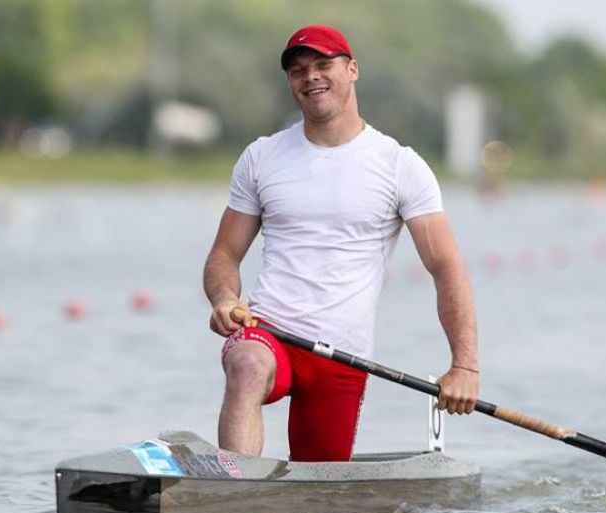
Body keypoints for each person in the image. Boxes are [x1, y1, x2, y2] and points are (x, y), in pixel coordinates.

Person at [203, 24, 479, 462]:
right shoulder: (261, 157)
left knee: (321, 493)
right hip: (267, 331)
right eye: (297, 70)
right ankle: (235, 489)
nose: (310, 76)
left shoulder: (400, 166)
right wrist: (224, 298)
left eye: (322, 64)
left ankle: (282, 497)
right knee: (247, 365)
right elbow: (224, 254)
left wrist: (463, 366)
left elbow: (446, 268)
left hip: (343, 355)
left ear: (352, 70)